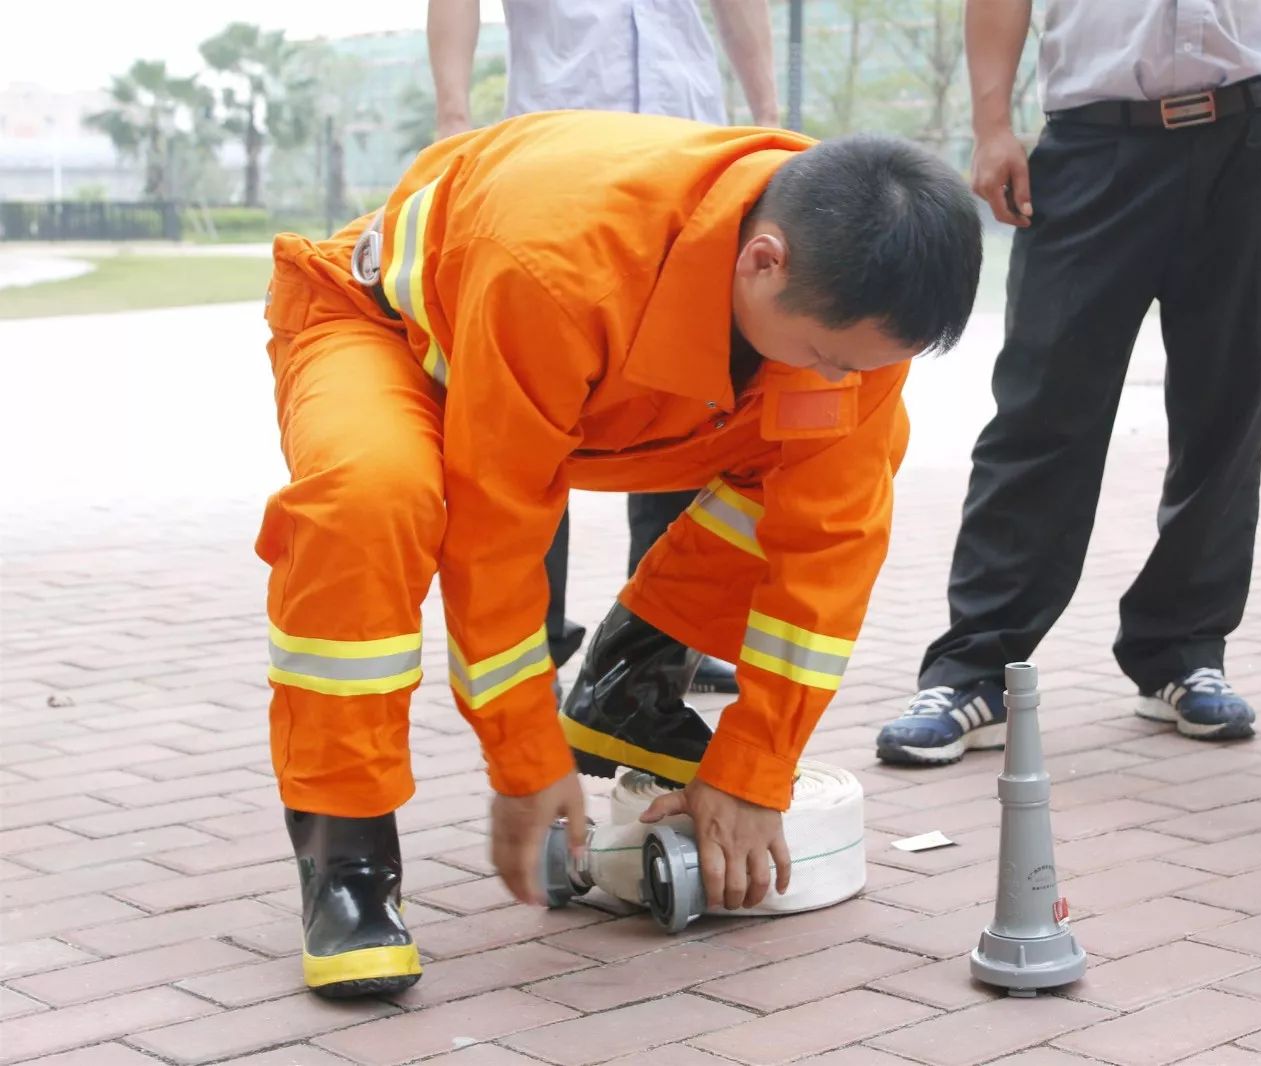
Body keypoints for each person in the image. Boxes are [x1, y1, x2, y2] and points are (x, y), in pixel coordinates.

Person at [258, 112, 982, 997]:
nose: (840, 384)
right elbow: (497, 536)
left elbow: (830, 543)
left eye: (862, 367)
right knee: (371, 503)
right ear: (764, 260)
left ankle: (630, 680)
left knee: (834, 466)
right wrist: (525, 762)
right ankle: (347, 861)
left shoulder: (854, 304)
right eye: (828, 359)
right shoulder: (561, 265)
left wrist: (754, 772)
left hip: (597, 400)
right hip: (393, 334)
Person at [873, 0, 1261, 765]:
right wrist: (993, 124)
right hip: (1094, 140)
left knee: (1228, 408)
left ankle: (1184, 649)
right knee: (1042, 408)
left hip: (1258, 135)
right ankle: (974, 666)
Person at [427, 0, 781, 699]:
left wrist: (767, 115)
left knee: (684, 391)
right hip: (560, 160)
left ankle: (655, 642)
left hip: (691, 151)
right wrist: (453, 121)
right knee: (534, 413)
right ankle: (530, 648)